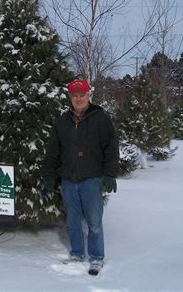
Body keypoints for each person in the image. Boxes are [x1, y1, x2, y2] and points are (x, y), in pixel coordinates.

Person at [42, 79, 119, 275]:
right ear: (70, 97)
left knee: (94, 221)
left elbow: (111, 148)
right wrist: (49, 174)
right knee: (73, 221)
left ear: (88, 95)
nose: (78, 98)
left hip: (92, 179)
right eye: (75, 95)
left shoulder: (100, 118)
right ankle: (77, 254)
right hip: (68, 180)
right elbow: (53, 151)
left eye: (82, 94)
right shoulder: (62, 122)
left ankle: (96, 257)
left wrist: (110, 174)